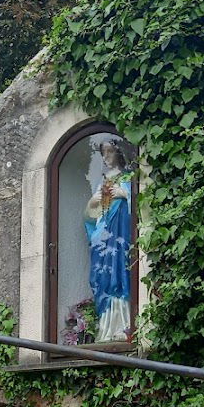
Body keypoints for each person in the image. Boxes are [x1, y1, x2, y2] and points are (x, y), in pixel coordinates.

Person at [82, 137, 133, 343]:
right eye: (103, 153)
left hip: (121, 235)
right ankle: (105, 329)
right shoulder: (102, 181)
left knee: (120, 273)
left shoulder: (128, 177)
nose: (106, 157)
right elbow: (90, 217)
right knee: (101, 275)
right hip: (103, 237)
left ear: (119, 152)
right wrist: (92, 202)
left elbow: (139, 205)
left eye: (109, 152)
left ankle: (124, 325)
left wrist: (124, 193)